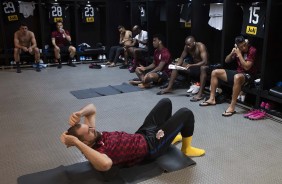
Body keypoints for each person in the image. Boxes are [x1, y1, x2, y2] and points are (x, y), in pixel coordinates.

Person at [60, 98, 205, 171]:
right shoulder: (97, 152)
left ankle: (169, 137)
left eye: (89, 127)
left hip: (141, 134)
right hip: (151, 146)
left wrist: (79, 113)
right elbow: (105, 164)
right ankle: (187, 148)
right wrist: (76, 143)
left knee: (165, 102)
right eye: (88, 132)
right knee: (186, 113)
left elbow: (92, 109)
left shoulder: (93, 136)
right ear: (84, 143)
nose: (91, 128)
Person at [199, 35, 257, 117]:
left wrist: (239, 54)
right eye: (241, 46)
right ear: (237, 46)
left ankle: (232, 107)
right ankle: (212, 99)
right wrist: (232, 53)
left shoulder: (252, 50)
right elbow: (227, 61)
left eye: (244, 44)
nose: (244, 47)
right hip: (238, 72)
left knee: (237, 77)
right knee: (215, 72)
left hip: (249, 75)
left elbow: (247, 67)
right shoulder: (237, 50)